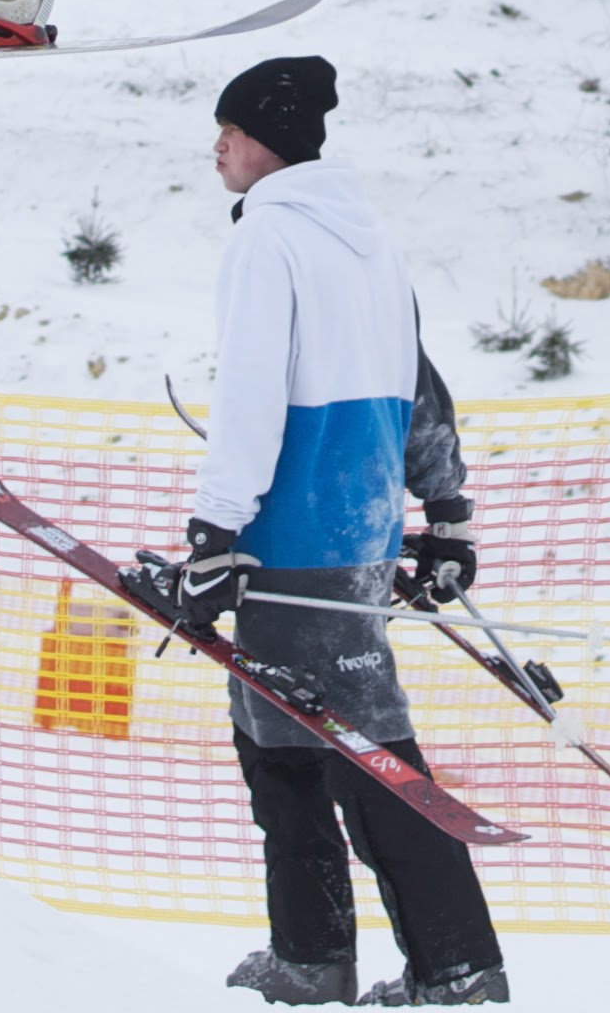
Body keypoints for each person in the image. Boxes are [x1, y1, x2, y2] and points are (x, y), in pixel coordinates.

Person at [166, 55, 501, 1007]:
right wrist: (445, 511)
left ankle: (455, 969)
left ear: (267, 140)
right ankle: (312, 955)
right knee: (282, 740)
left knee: (365, 756)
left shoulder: (269, 239)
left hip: (291, 534)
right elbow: (420, 381)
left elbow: (250, 393)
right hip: (361, 529)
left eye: (230, 130)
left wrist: (215, 533)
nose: (217, 147)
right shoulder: (372, 243)